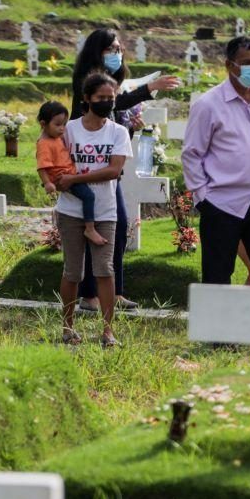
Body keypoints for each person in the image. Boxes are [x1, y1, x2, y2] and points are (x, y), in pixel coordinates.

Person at [71, 28, 181, 312]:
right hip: (87, 170)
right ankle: (89, 295)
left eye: (119, 49)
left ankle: (115, 292)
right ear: (97, 51)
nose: (117, 54)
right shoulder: (88, 85)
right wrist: (150, 88)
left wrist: (131, 125)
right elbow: (109, 106)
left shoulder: (114, 83)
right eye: (111, 49)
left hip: (110, 171)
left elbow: (115, 126)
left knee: (117, 228)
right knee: (91, 231)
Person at [182, 36, 250, 286]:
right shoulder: (208, 105)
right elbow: (192, 154)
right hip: (222, 203)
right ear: (229, 65)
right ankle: (215, 325)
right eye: (245, 63)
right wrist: (203, 197)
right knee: (217, 276)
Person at [53, 73, 132, 348]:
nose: (107, 103)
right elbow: (55, 161)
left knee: (105, 270)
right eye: (101, 98)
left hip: (105, 210)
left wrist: (74, 179)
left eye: (111, 98)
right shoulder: (70, 130)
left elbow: (113, 170)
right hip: (71, 211)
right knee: (73, 271)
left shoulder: (118, 132)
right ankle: (67, 327)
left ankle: (108, 330)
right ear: (86, 99)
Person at [36, 101, 106, 246]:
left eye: (64, 124)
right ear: (43, 124)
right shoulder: (44, 143)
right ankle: (90, 228)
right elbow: (42, 166)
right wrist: (48, 182)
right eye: (57, 124)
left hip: (69, 173)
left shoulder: (55, 138)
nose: (62, 129)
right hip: (62, 177)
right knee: (89, 196)